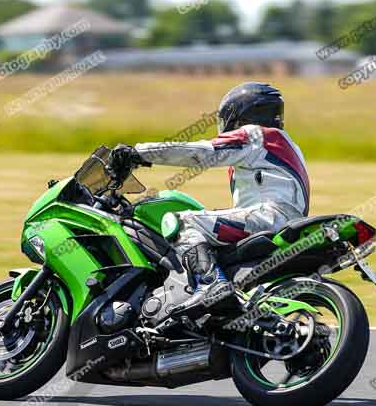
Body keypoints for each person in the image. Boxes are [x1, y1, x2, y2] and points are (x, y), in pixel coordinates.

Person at [109, 82, 310, 313]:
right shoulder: (288, 146)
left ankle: (210, 283)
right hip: (283, 222)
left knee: (182, 222)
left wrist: (137, 153)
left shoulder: (256, 136)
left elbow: (201, 153)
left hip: (269, 217)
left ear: (239, 114)